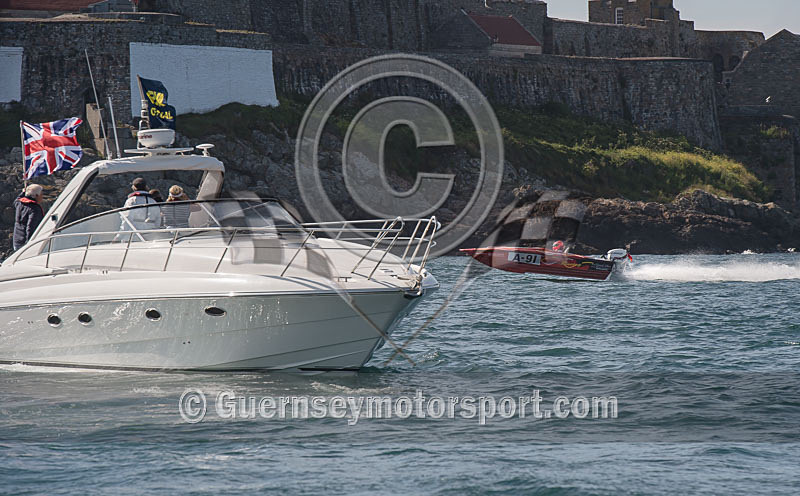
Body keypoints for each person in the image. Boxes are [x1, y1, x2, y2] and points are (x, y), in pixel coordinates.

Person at [13, 184, 45, 251]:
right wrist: (29, 244)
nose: (42, 197)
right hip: (26, 243)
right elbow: (31, 227)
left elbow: (17, 199)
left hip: (17, 241)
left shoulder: (19, 203)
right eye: (41, 194)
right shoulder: (34, 209)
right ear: (36, 195)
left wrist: (23, 192)